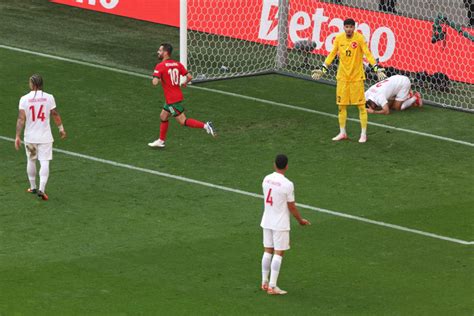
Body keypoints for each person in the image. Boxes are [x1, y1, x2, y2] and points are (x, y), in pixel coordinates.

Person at [312, 18, 386, 143]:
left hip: (357, 78)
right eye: (347, 27)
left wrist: (376, 68)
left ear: (354, 27)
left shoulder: (359, 38)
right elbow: (332, 54)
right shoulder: (339, 39)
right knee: (341, 107)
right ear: (343, 27)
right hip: (342, 78)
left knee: (361, 107)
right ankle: (342, 133)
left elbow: (367, 53)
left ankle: (363, 134)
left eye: (351, 27)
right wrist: (323, 69)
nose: (349, 29)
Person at [148, 43, 216, 148]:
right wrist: (184, 83)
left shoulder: (160, 66)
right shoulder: (177, 64)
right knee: (163, 116)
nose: (158, 52)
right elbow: (189, 76)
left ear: (165, 53)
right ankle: (161, 140)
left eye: (160, 50)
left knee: (182, 121)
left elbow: (155, 83)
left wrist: (156, 76)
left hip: (172, 100)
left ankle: (206, 125)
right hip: (175, 96)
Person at [260, 154, 311, 295]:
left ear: (274, 164)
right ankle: (272, 286)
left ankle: (264, 282)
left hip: (267, 220)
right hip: (280, 223)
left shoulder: (266, 179)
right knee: (278, 253)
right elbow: (292, 206)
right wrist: (300, 220)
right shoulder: (287, 184)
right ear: (287, 166)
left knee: (267, 251)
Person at [15, 74, 67, 201]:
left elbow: (21, 119)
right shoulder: (49, 98)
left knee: (31, 160)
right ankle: (42, 189)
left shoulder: (24, 99)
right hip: (45, 137)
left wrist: (17, 136)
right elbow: (55, 114)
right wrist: (61, 129)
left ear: (32, 84)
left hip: (30, 137)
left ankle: (33, 187)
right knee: (44, 161)